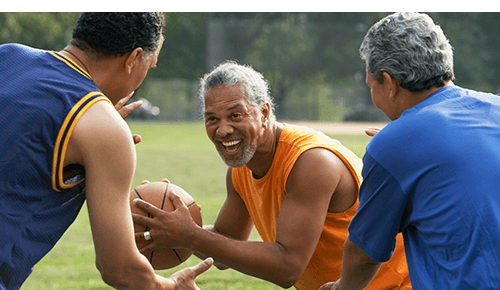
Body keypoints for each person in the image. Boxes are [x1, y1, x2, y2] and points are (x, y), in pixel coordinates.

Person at [132, 61, 411, 289]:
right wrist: (166, 225)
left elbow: (287, 267)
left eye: (236, 116)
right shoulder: (241, 168)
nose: (223, 130)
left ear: (264, 112)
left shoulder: (311, 161)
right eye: (212, 119)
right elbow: (225, 244)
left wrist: (189, 236)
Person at [0, 12, 212, 290]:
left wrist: (93, 123)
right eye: (150, 66)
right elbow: (120, 269)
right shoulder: (102, 128)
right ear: (133, 58)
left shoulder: (7, 55)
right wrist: (171, 286)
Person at [320, 12, 500, 290]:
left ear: (388, 82)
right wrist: (404, 144)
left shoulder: (395, 145)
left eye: (371, 85)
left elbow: (363, 254)